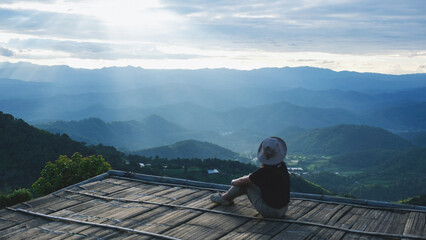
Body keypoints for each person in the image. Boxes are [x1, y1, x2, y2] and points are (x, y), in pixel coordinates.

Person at [210, 136, 290, 218]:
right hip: (283, 209)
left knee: (246, 183)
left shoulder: (265, 171)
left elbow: (242, 181)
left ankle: (224, 198)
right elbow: (255, 178)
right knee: (249, 179)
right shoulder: (282, 166)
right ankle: (225, 198)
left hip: (271, 212)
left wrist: (233, 182)